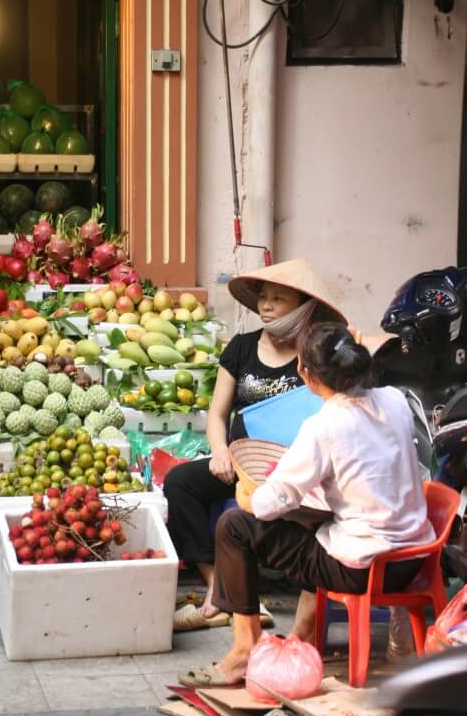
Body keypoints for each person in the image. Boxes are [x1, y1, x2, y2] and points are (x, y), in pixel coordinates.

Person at [178, 322, 435, 686]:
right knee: (319, 526)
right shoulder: (395, 400)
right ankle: (302, 635)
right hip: (412, 558)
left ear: (306, 375)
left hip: (362, 568)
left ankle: (242, 651)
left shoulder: (324, 425)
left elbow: (268, 504)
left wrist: (258, 490)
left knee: (234, 527)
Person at [167, 259, 347, 631]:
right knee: (180, 483)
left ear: (303, 307)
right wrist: (220, 451)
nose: (266, 306)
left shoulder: (316, 356)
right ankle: (214, 581)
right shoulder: (242, 348)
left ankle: (300, 598)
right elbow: (217, 413)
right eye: (264, 298)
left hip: (293, 469)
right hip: (237, 463)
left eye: (278, 299)